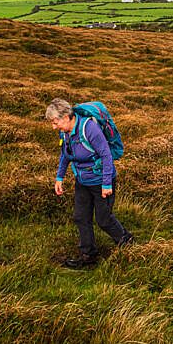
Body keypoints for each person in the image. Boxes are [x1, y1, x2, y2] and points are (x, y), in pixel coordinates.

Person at [47, 98, 133, 269]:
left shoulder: (89, 128)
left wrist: (106, 184)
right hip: (82, 181)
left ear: (66, 117)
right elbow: (65, 154)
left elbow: (106, 155)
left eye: (55, 122)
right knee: (81, 217)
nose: (54, 127)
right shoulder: (65, 133)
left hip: (101, 181)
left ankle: (127, 242)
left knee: (104, 220)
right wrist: (59, 177)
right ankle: (88, 255)